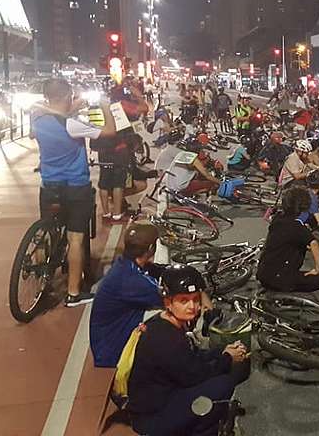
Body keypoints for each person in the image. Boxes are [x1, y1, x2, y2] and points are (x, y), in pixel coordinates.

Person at [126, 264, 250, 436]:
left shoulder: (165, 323)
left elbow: (192, 357)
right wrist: (228, 358)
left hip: (163, 397)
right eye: (183, 300)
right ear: (168, 302)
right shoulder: (165, 338)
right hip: (152, 418)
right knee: (223, 384)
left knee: (224, 374)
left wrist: (221, 351)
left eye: (195, 299)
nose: (192, 306)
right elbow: (194, 375)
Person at [32, 79, 117, 307]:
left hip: (49, 184)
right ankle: (73, 293)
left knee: (45, 233)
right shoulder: (73, 125)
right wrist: (106, 107)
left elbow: (54, 110)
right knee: (75, 239)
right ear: (69, 95)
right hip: (75, 186)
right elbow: (109, 131)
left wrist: (72, 105)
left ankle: (42, 280)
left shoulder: (37, 117)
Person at [90, 223, 162, 367]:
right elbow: (172, 298)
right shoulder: (132, 280)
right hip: (114, 353)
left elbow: (159, 271)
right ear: (150, 249)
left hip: (107, 345)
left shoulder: (125, 265)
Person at [257, 183, 319, 293]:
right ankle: (284, 293)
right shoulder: (297, 227)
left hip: (262, 273)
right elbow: (314, 243)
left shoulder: (278, 218)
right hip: (278, 278)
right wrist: (318, 269)